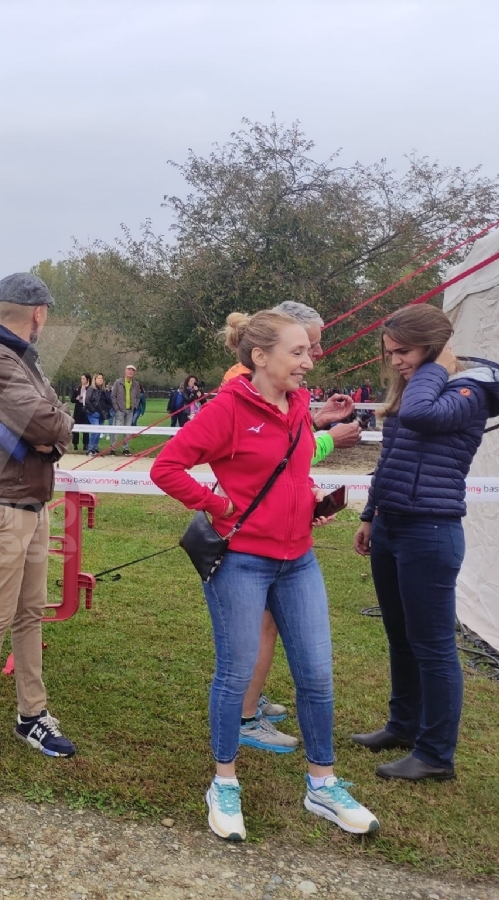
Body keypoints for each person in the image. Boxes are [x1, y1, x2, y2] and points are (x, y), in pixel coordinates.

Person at [151, 309, 379, 841]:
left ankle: (322, 783)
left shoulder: (300, 403)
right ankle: (224, 782)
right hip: (242, 562)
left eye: (309, 351)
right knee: (235, 674)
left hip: (299, 558)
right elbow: (166, 467)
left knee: (317, 675)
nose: (309, 360)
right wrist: (216, 503)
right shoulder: (226, 408)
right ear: (261, 356)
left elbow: (291, 471)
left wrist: (311, 502)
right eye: (298, 352)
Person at [351, 305, 499, 781]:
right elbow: (393, 456)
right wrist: (369, 514)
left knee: (434, 645)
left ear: (434, 347)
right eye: (390, 353)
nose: (396, 361)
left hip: (430, 530)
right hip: (392, 525)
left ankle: (436, 754)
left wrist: (436, 366)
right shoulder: (418, 384)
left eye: (404, 351)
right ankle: (403, 726)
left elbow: (420, 415)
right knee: (400, 635)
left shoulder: (469, 389)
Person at [230, 300, 361, 753]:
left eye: (316, 347)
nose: (315, 356)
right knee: (258, 635)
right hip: (252, 547)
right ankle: (244, 715)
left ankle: (250, 702)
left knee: (276, 636)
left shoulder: (290, 390)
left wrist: (317, 422)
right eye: (307, 345)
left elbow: (288, 451)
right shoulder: (240, 386)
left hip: (288, 540)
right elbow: (266, 457)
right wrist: (329, 437)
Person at [0, 272, 77, 766]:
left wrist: (48, 431)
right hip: (2, 502)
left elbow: (46, 425)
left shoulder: (18, 359)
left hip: (30, 499)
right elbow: (50, 422)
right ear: (38, 314)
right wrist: (52, 430)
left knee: (31, 612)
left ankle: (32, 714)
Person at [111, 364, 143, 456]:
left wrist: (135, 406)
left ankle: (126, 448)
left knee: (127, 430)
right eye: (129, 370)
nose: (130, 371)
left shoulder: (136, 384)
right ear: (125, 371)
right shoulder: (118, 382)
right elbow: (113, 396)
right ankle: (113, 448)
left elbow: (138, 397)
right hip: (120, 410)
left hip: (130, 410)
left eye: (132, 370)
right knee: (116, 429)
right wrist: (116, 408)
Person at [84, 372, 111, 456]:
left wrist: (107, 409)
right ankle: (90, 449)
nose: (100, 380)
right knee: (95, 431)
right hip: (93, 413)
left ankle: (95, 448)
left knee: (99, 432)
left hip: (101, 414)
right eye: (99, 378)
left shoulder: (103, 391)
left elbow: (107, 401)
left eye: (102, 378)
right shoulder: (91, 389)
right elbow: (87, 401)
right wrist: (93, 411)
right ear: (95, 379)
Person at [70, 374, 91, 452]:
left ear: (88, 380)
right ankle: (75, 444)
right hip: (78, 409)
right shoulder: (77, 388)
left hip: (86, 410)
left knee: (86, 427)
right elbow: (72, 399)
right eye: (81, 378)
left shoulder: (90, 389)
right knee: (76, 427)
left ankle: (86, 444)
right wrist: (77, 398)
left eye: (84, 378)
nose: (82, 380)